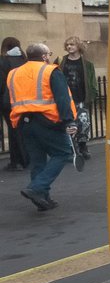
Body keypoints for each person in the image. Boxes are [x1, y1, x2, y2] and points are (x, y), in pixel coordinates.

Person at [7, 42, 77, 211]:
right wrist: (69, 121)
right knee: (63, 152)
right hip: (47, 121)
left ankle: (42, 199)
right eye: (49, 53)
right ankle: (37, 188)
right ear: (45, 56)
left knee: (37, 161)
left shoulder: (13, 73)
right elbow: (62, 99)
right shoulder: (50, 71)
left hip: (23, 122)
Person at [55, 35, 98, 160]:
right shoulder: (60, 61)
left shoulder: (87, 64)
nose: (69, 47)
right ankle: (70, 149)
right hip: (66, 99)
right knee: (68, 124)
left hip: (81, 98)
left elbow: (92, 82)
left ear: (78, 46)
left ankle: (83, 146)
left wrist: (91, 96)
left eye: (72, 44)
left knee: (83, 123)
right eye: (67, 45)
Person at [0, 36, 28, 171]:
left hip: (8, 101)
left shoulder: (3, 61)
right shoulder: (24, 60)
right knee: (23, 129)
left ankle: (16, 161)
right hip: (25, 100)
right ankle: (26, 159)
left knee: (13, 130)